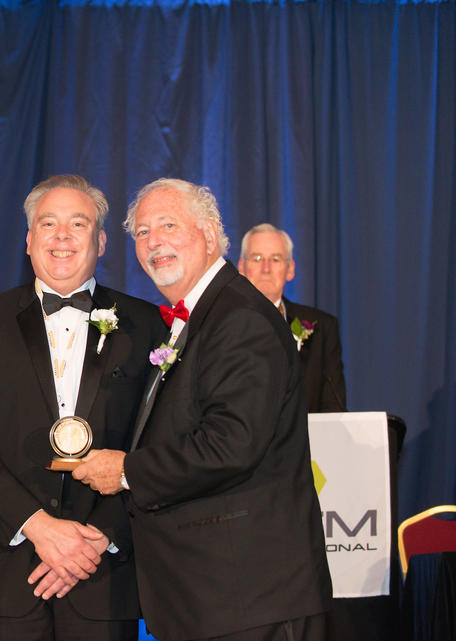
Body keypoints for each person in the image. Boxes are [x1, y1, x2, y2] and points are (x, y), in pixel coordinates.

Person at [73, 178, 332, 641]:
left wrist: (127, 470)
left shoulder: (241, 319)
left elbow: (231, 445)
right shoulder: (198, 318)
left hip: (249, 598)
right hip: (210, 597)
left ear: (211, 235)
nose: (154, 242)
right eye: (143, 233)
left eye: (169, 225)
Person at [0, 175, 165, 640]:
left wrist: (96, 539)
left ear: (101, 240)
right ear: (28, 240)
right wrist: (40, 528)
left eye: (78, 223)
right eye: (48, 223)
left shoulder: (146, 325)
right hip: (7, 573)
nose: (62, 236)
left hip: (103, 571)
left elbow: (157, 442)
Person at [237, 223, 347, 412]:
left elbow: (333, 407)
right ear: (241, 267)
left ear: (290, 269)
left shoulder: (322, 328)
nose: (266, 268)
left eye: (276, 259)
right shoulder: (218, 323)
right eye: (256, 258)